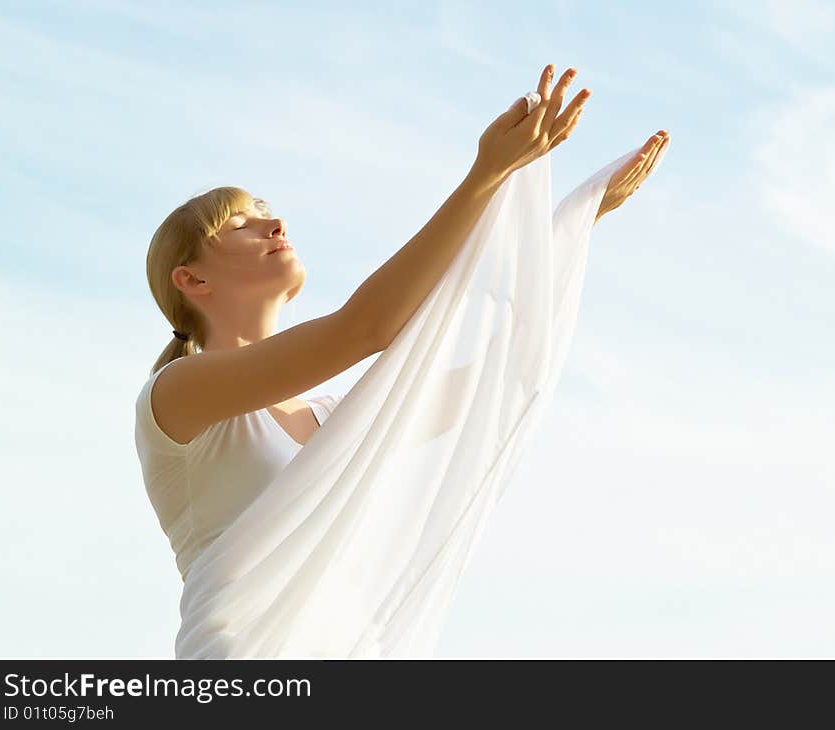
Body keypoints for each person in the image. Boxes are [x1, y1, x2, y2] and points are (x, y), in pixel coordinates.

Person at [134, 64, 670, 658]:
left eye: (266, 210)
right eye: (240, 222)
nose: (275, 223)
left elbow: (497, 371)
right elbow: (369, 328)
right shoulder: (178, 394)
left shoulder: (332, 420)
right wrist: (486, 176)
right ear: (191, 278)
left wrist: (573, 221)